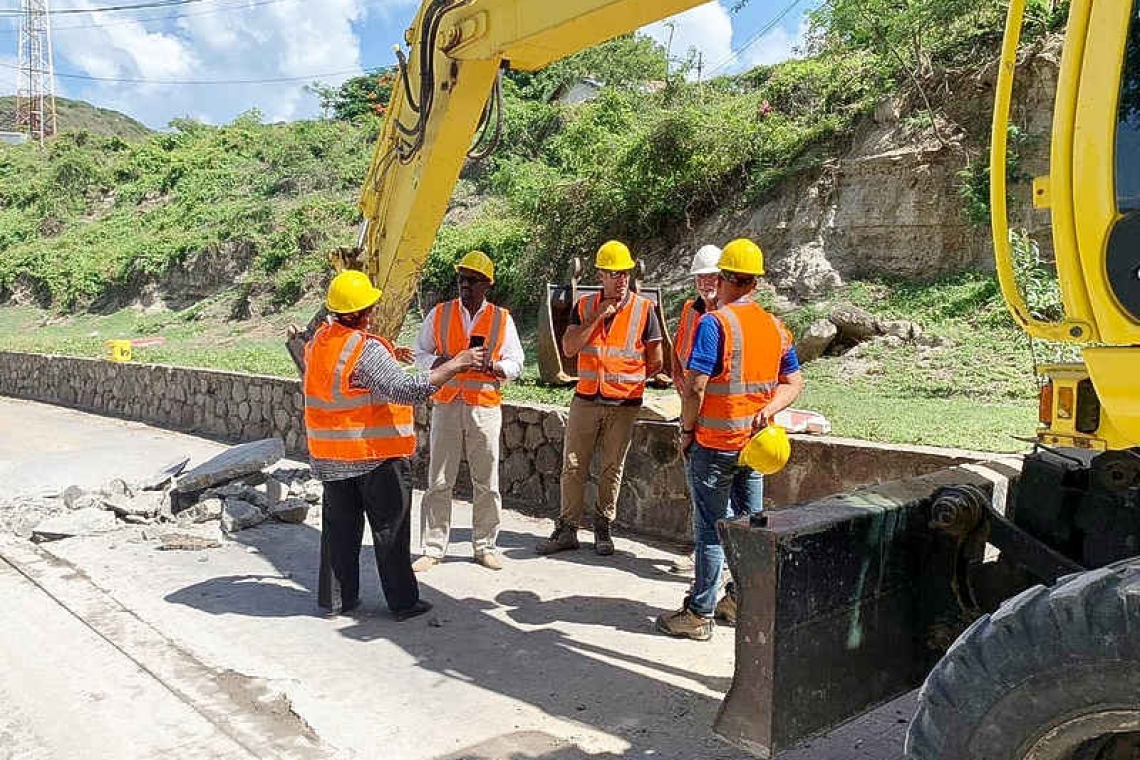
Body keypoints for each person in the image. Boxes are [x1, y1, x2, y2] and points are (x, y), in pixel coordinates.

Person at [305, 270, 483, 619]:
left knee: (338, 534)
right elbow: (407, 390)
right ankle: (402, 602)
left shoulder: (320, 342)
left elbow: (351, 381)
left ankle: (335, 601)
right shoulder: (364, 348)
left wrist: (389, 355)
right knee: (390, 531)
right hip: (375, 457)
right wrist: (456, 364)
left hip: (331, 457)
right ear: (364, 311)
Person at [656, 238, 804, 641]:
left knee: (710, 532)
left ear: (722, 279)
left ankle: (699, 614)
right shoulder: (775, 327)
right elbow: (794, 383)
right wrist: (768, 410)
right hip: (754, 448)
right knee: (750, 525)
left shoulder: (714, 323)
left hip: (714, 446)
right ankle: (739, 601)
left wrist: (687, 432)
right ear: (755, 283)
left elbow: (696, 388)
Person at [536, 240, 664, 557]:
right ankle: (567, 529)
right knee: (573, 464)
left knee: (611, 468)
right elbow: (569, 348)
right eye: (613, 274)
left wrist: (629, 378)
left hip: (624, 403)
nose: (620, 280)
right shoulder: (584, 306)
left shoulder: (644, 309)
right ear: (601, 275)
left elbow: (657, 360)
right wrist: (598, 318)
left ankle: (603, 528)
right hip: (586, 399)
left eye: (624, 274)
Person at [411, 251, 524, 572]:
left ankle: (485, 546)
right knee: (439, 480)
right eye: (462, 278)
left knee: (486, 481)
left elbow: (517, 363)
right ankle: (433, 548)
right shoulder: (440, 313)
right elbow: (420, 352)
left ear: (487, 284)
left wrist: (495, 367)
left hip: (484, 407)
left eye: (472, 280)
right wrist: (446, 363)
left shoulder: (502, 319)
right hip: (447, 404)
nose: (465, 284)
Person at [669, 244, 723, 576]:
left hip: (719, 415)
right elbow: (679, 351)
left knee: (718, 492)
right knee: (697, 487)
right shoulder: (692, 311)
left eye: (711, 277)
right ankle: (700, 551)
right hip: (694, 409)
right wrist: (679, 379)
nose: (705, 284)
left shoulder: (728, 316)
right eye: (700, 278)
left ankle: (718, 561)